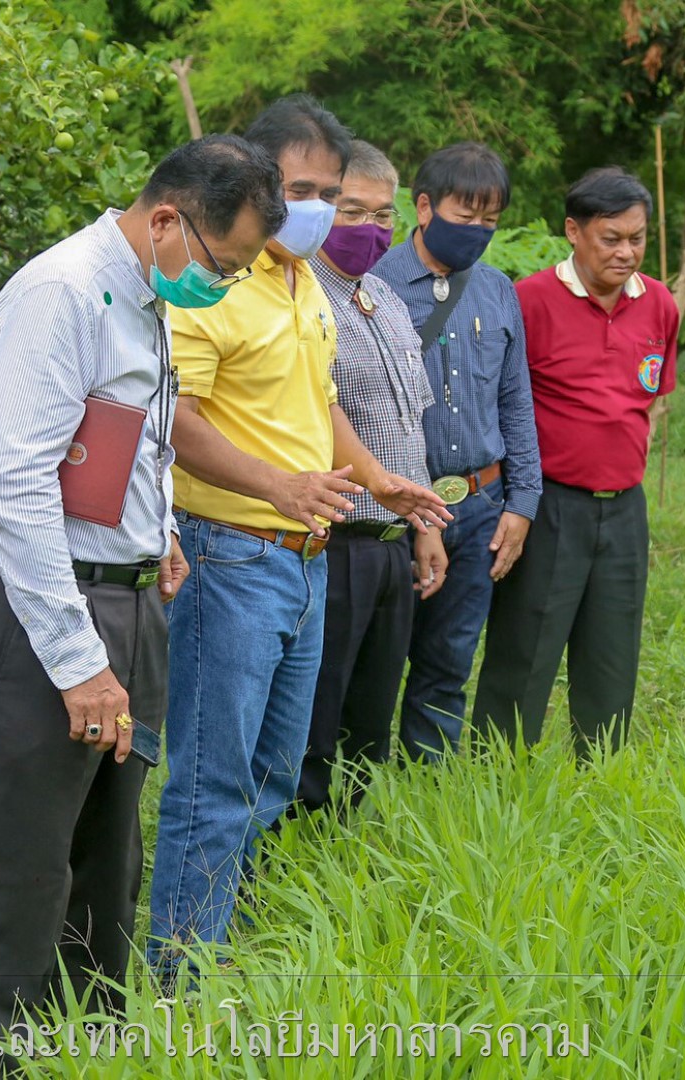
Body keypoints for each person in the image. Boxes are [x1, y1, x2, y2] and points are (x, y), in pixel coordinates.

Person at [0, 134, 286, 1077]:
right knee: (19, 867)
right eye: (224, 265)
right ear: (167, 219)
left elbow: (122, 439)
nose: (225, 285)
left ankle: (87, 1054)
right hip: (46, 616)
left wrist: (153, 530)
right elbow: (16, 488)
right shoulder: (61, 294)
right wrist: (78, 658)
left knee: (106, 862)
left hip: (126, 605)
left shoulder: (144, 295)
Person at [146, 97, 448, 982]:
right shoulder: (213, 282)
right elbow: (176, 417)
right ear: (254, 183)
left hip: (306, 558)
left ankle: (223, 939)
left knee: (276, 771)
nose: (311, 208)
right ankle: (181, 981)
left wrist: (377, 480)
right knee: (214, 779)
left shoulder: (303, 280)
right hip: (231, 550)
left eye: (327, 191)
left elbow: (320, 403)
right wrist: (275, 483)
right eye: (298, 190)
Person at [473, 166, 678, 755]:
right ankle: (496, 769)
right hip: (548, 503)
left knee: (613, 647)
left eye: (637, 238)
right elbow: (501, 403)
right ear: (574, 231)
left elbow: (648, 398)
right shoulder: (529, 300)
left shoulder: (659, 304)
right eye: (611, 238)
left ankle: (601, 768)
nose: (626, 252)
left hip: (625, 508)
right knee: (526, 643)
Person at [370, 142, 540, 762]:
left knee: (449, 661)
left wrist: (521, 502)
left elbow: (515, 401)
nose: (478, 231)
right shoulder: (374, 287)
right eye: (465, 217)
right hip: (393, 507)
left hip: (480, 504)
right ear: (424, 208)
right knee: (376, 662)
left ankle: (428, 784)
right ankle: (353, 788)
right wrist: (416, 515)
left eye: (490, 220)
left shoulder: (497, 291)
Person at [294, 140, 447, 815]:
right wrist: (381, 487)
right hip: (335, 538)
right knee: (315, 713)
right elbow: (315, 409)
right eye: (352, 211)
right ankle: (295, 840)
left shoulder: (383, 297)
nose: (371, 228)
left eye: (383, 215)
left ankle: (346, 843)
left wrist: (424, 526)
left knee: (371, 717)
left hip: (392, 541)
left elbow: (412, 424)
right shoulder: (300, 296)